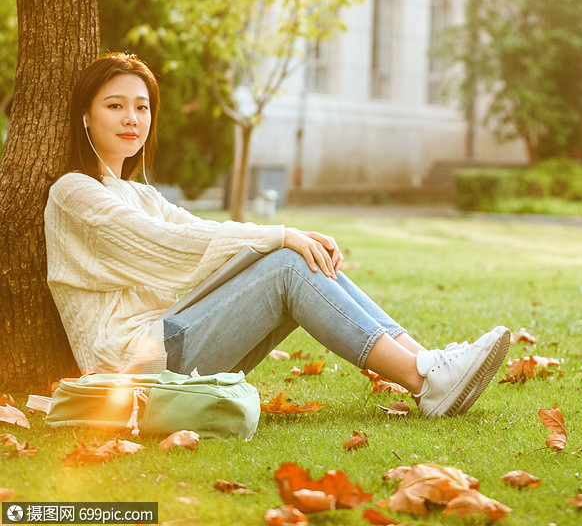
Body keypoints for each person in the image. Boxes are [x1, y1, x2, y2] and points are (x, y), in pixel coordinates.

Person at [45, 53, 510, 418]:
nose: (132, 118)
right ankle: (425, 379)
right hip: (132, 367)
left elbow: (204, 229)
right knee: (287, 263)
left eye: (141, 107)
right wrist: (281, 237)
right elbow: (167, 248)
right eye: (115, 106)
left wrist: (289, 234)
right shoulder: (73, 193)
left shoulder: (140, 194)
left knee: (294, 255)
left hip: (169, 346)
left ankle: (430, 367)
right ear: (85, 116)